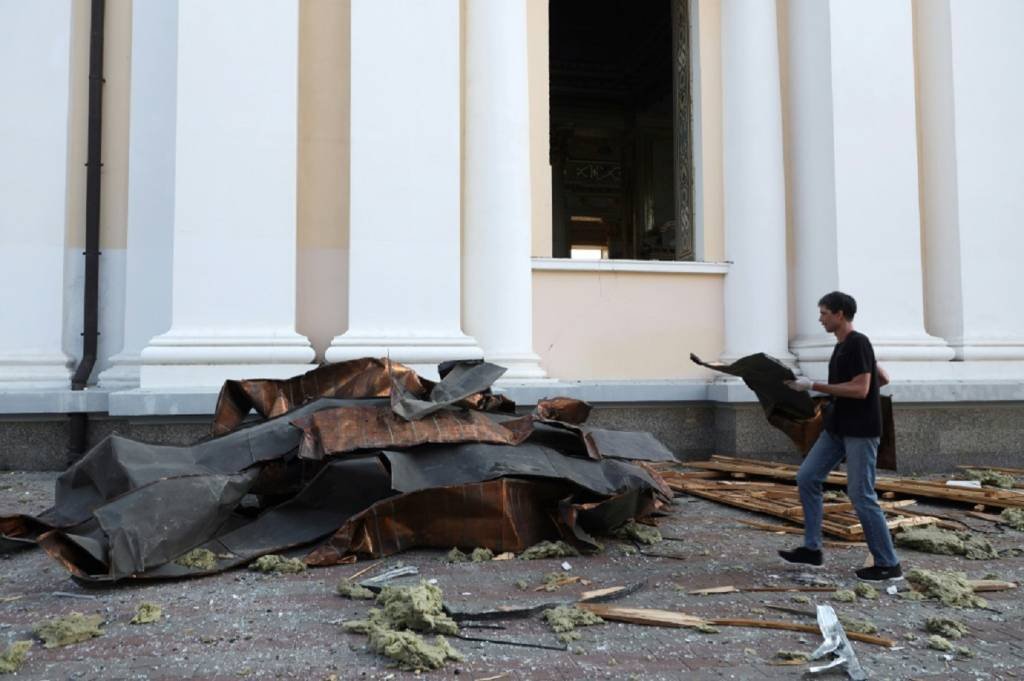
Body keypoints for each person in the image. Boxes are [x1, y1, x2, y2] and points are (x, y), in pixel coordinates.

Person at [779, 291, 902, 581]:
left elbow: (861, 389)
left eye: (824, 313)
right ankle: (812, 549)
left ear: (840, 314)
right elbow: (882, 379)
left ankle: (888, 564)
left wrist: (815, 386)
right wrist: (869, 368)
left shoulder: (858, 342)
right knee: (807, 477)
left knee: (861, 494)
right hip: (837, 428)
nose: (820, 318)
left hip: (860, 430)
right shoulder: (844, 346)